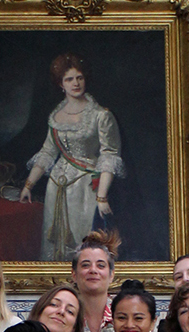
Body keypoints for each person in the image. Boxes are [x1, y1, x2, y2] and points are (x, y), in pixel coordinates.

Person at [20, 54, 124, 262]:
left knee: (82, 242)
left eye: (79, 78)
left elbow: (109, 155)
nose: (75, 83)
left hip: (86, 189)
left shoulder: (101, 115)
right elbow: (48, 152)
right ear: (61, 84)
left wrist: (102, 197)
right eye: (69, 79)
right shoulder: (55, 116)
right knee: (53, 246)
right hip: (56, 188)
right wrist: (28, 185)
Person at [70, 229, 120, 332]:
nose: (93, 270)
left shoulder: (123, 312)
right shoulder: (66, 314)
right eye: (85, 265)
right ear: (74, 274)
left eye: (100, 265)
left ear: (111, 275)